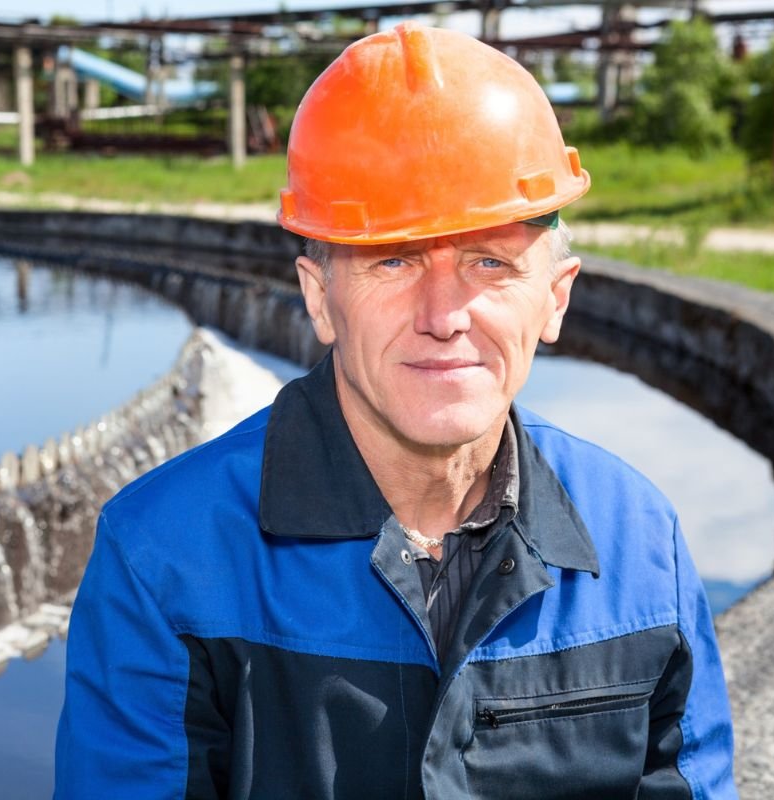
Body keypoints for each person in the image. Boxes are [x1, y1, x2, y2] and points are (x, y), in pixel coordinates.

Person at [54, 23, 736, 799]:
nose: (444, 314)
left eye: (490, 262)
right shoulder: (165, 557)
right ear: (320, 297)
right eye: (394, 260)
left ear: (555, 296)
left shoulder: (641, 544)